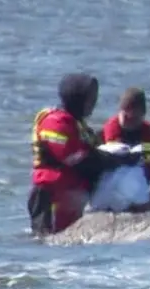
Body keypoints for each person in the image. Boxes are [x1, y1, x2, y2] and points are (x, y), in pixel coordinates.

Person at [29, 73, 122, 235]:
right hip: (51, 195)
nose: (93, 103)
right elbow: (73, 158)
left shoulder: (77, 124)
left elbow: (91, 148)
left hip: (72, 194)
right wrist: (107, 159)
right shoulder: (55, 122)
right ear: (77, 99)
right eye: (89, 99)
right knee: (48, 241)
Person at [101, 87, 150, 212]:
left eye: (133, 117)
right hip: (109, 195)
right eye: (124, 115)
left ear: (142, 115)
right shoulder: (102, 136)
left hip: (137, 197)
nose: (127, 121)